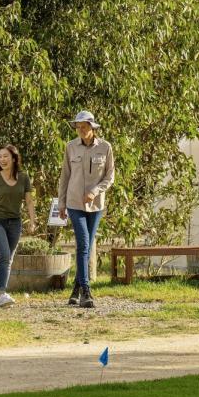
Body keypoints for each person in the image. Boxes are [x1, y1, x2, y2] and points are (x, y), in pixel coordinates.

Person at [57, 110, 115, 309]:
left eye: (84, 127)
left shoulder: (105, 147)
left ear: (93, 128)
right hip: (74, 203)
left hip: (95, 205)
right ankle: (86, 292)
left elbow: (110, 176)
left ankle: (75, 289)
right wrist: (61, 203)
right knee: (82, 245)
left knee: (87, 247)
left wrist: (95, 191)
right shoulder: (70, 147)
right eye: (78, 127)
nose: (80, 130)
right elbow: (64, 176)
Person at [0, 144, 36, 309]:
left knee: (8, 258)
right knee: (3, 254)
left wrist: (32, 221)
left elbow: (29, 201)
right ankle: (2, 293)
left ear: (14, 158)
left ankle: (1, 295)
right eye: (0, 156)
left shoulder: (23, 178)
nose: (2, 159)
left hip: (15, 222)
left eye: (6, 156)